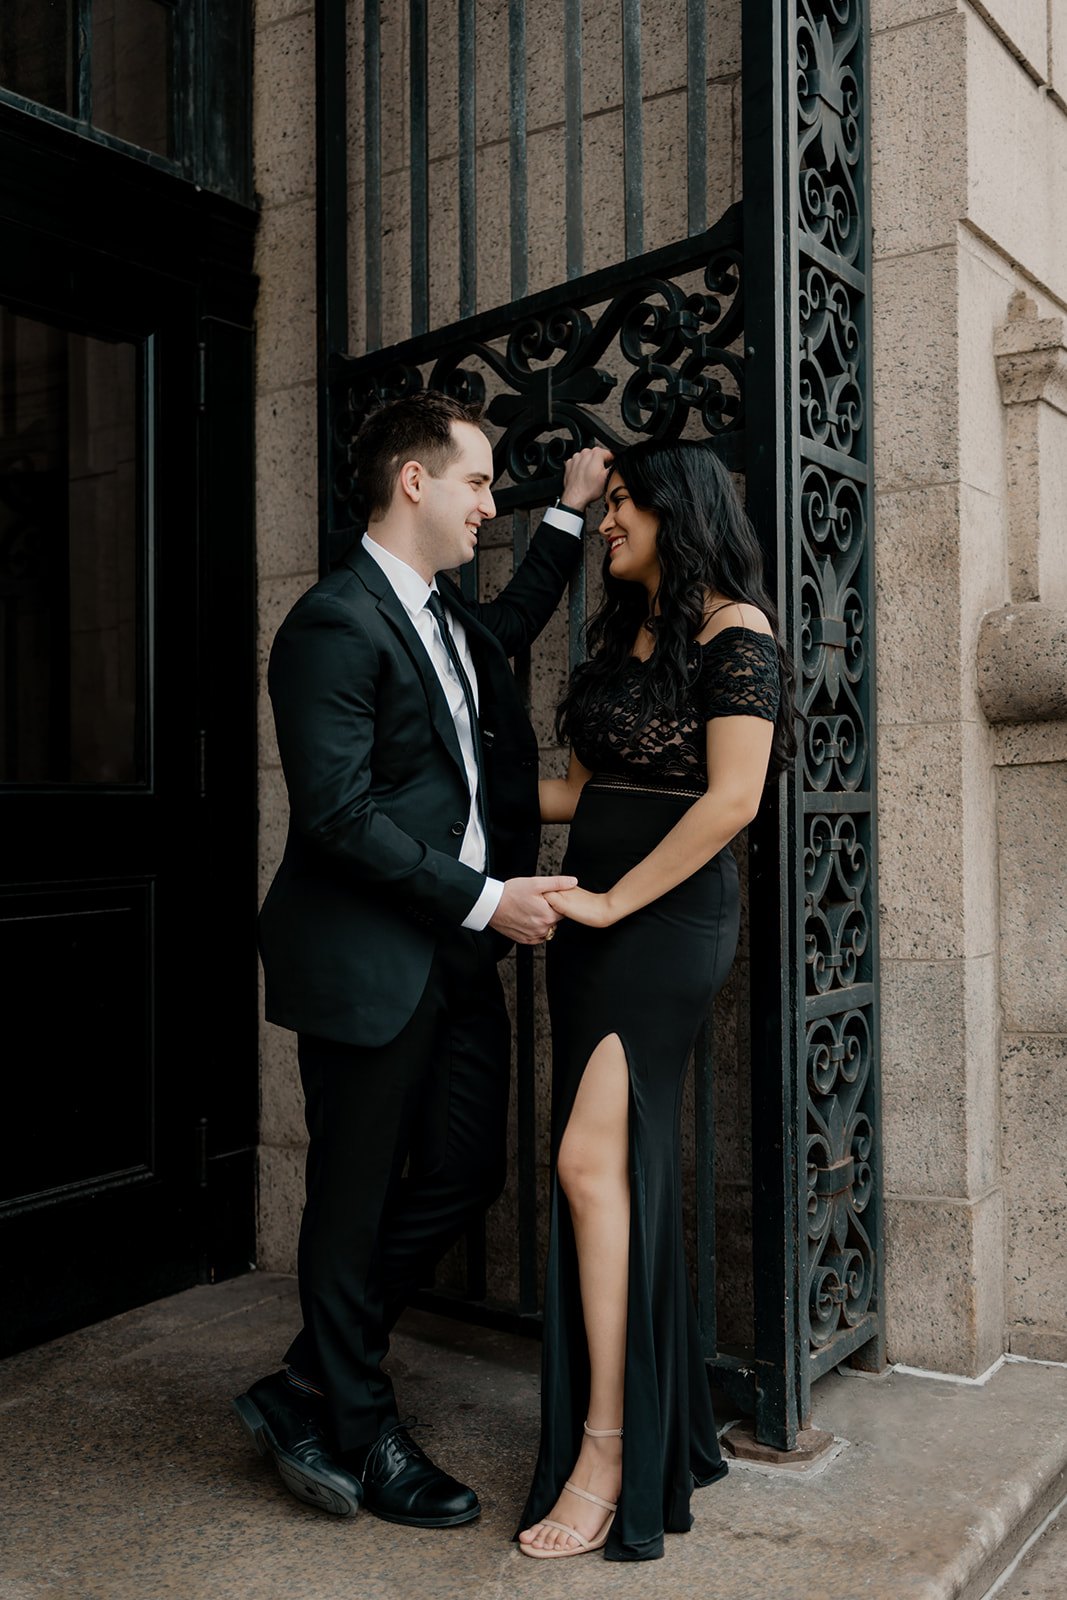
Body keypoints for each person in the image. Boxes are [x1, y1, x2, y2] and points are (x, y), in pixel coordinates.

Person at [237, 392, 610, 1528]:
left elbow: (511, 622)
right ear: (413, 482)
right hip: (371, 957)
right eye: (479, 484)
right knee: (349, 1205)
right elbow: (338, 817)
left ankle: (304, 1377)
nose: (489, 506)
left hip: (451, 952)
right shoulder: (329, 624)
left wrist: (567, 518)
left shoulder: (447, 618)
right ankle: (355, 1422)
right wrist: (491, 900)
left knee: (464, 1166)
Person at [516, 437, 798, 1561]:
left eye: (624, 504)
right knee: (607, 1169)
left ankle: (608, 1445)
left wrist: (607, 900)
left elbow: (731, 801)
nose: (608, 522)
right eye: (607, 502)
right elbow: (574, 792)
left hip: (662, 919)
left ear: (678, 512)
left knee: (590, 1165)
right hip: (592, 916)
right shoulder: (623, 637)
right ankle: (654, 1417)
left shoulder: (739, 632)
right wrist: (443, 788)